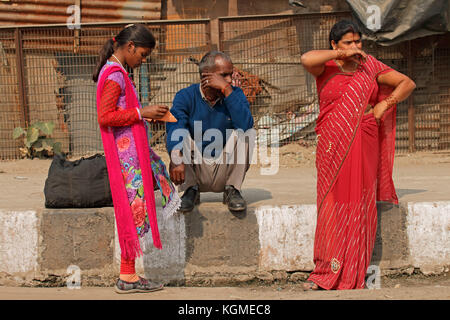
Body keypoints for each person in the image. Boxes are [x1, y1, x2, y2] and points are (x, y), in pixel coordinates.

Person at [300, 20, 415, 290]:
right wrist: (341, 56)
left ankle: (353, 272)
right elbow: (306, 58)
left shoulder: (371, 67)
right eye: (348, 42)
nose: (355, 47)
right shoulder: (325, 66)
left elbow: (406, 83)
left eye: (358, 42)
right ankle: (325, 271)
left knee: (360, 203)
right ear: (334, 45)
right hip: (331, 144)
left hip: (364, 139)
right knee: (331, 202)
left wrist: (383, 105)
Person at [93, 24, 181, 294]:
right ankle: (127, 276)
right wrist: (141, 112)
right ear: (130, 47)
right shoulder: (115, 75)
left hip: (129, 152)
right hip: (126, 157)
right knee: (134, 210)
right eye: (142, 55)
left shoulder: (117, 72)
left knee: (135, 209)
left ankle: (128, 274)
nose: (142, 61)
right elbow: (105, 117)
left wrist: (145, 113)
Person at [166, 51, 254, 213]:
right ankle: (191, 190)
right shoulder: (185, 96)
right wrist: (176, 157)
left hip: (224, 167)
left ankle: (232, 189)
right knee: (180, 134)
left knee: (247, 133)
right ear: (206, 77)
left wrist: (227, 90)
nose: (229, 80)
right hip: (196, 168)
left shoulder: (235, 94)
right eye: (224, 75)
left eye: (230, 74)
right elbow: (175, 126)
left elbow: (245, 124)